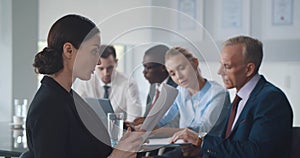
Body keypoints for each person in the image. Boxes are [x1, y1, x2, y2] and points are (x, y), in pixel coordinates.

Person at [26, 14, 143, 158]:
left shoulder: (68, 96)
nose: (99, 62)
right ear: (69, 50)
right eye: (94, 51)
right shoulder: (49, 106)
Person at [170, 36, 293, 158]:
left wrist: (201, 141)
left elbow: (256, 152)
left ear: (249, 69)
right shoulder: (239, 99)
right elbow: (224, 146)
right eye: (221, 65)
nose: (220, 72)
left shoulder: (270, 99)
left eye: (227, 66)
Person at [152, 46, 230, 138]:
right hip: (184, 147)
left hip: (207, 149)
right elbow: (165, 119)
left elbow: (203, 129)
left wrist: (160, 132)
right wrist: (145, 127)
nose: (179, 76)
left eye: (181, 68)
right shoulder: (181, 91)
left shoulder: (219, 94)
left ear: (195, 63)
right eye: (173, 73)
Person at [73, 45, 143, 122]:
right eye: (101, 68)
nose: (106, 73)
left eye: (110, 68)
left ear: (116, 63)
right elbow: (78, 112)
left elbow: (134, 118)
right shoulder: (85, 82)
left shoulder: (129, 84)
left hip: (121, 130)